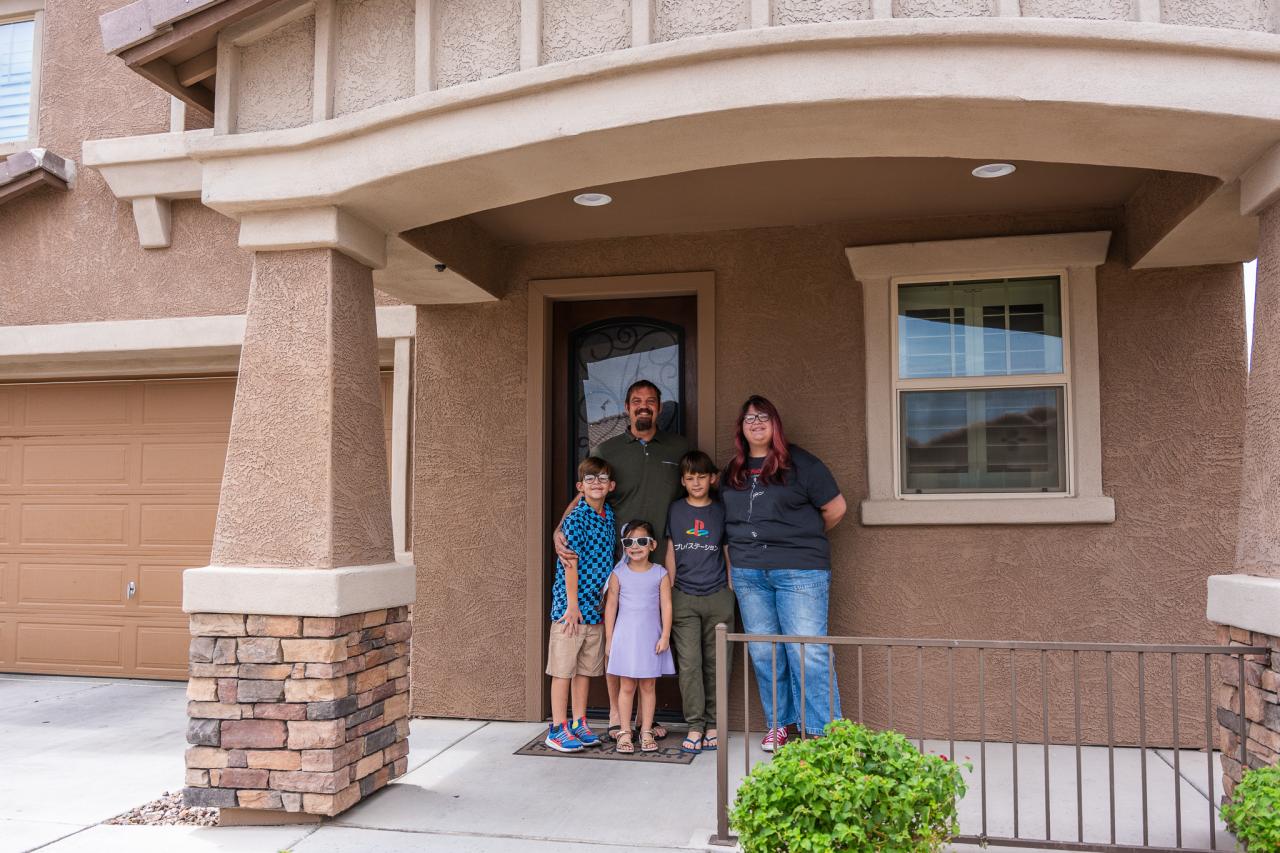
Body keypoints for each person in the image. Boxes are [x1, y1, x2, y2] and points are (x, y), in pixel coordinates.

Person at [555, 379, 687, 741]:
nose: (643, 407)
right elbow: (583, 494)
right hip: (616, 562)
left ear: (659, 407)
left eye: (650, 401)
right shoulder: (607, 447)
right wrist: (559, 530)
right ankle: (617, 717)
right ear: (628, 408)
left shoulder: (678, 447)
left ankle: (644, 719)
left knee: (652, 634)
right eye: (636, 401)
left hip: (660, 562)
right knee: (621, 638)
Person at [721, 395, 847, 752]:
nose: (756, 423)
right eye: (748, 418)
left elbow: (836, 509)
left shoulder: (801, 463)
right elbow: (726, 524)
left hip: (800, 572)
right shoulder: (733, 472)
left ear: (775, 423)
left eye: (763, 417)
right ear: (741, 428)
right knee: (765, 653)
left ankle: (823, 733)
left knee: (808, 651)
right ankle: (781, 725)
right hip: (749, 575)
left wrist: (799, 537)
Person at [663, 450, 734, 754]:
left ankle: (716, 724)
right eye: (690, 478)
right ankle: (695, 725)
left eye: (702, 477)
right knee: (690, 664)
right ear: (683, 480)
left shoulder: (721, 510)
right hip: (685, 597)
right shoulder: (676, 510)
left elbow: (728, 553)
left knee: (718, 663)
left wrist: (730, 592)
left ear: (712, 479)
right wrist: (670, 592)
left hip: (717, 594)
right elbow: (670, 554)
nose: (696, 482)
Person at [544, 456, 616, 752]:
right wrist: (571, 605)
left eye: (602, 479)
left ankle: (579, 721)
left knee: (585, 669)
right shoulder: (576, 519)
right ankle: (558, 727)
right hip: (570, 609)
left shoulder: (608, 514)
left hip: (593, 609)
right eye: (590, 479)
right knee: (563, 669)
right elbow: (570, 564)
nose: (596, 483)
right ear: (580, 486)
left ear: (611, 485)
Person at [604, 519, 675, 754]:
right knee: (626, 686)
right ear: (624, 546)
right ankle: (625, 731)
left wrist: (665, 635)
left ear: (652, 545)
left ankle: (645, 730)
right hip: (625, 638)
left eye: (642, 541)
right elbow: (611, 607)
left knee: (648, 685)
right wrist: (609, 639)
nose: (635, 546)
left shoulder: (660, 574)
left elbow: (666, 605)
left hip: (650, 638)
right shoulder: (619, 573)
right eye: (629, 542)